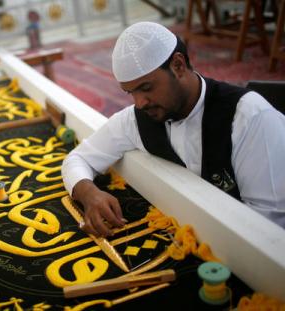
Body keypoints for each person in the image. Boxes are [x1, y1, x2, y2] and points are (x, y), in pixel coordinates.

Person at [61, 21, 285, 237]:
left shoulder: (249, 116)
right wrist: (88, 193)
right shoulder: (137, 119)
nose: (140, 103)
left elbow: (269, 227)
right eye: (131, 93)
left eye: (146, 88)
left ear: (178, 65)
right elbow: (78, 160)